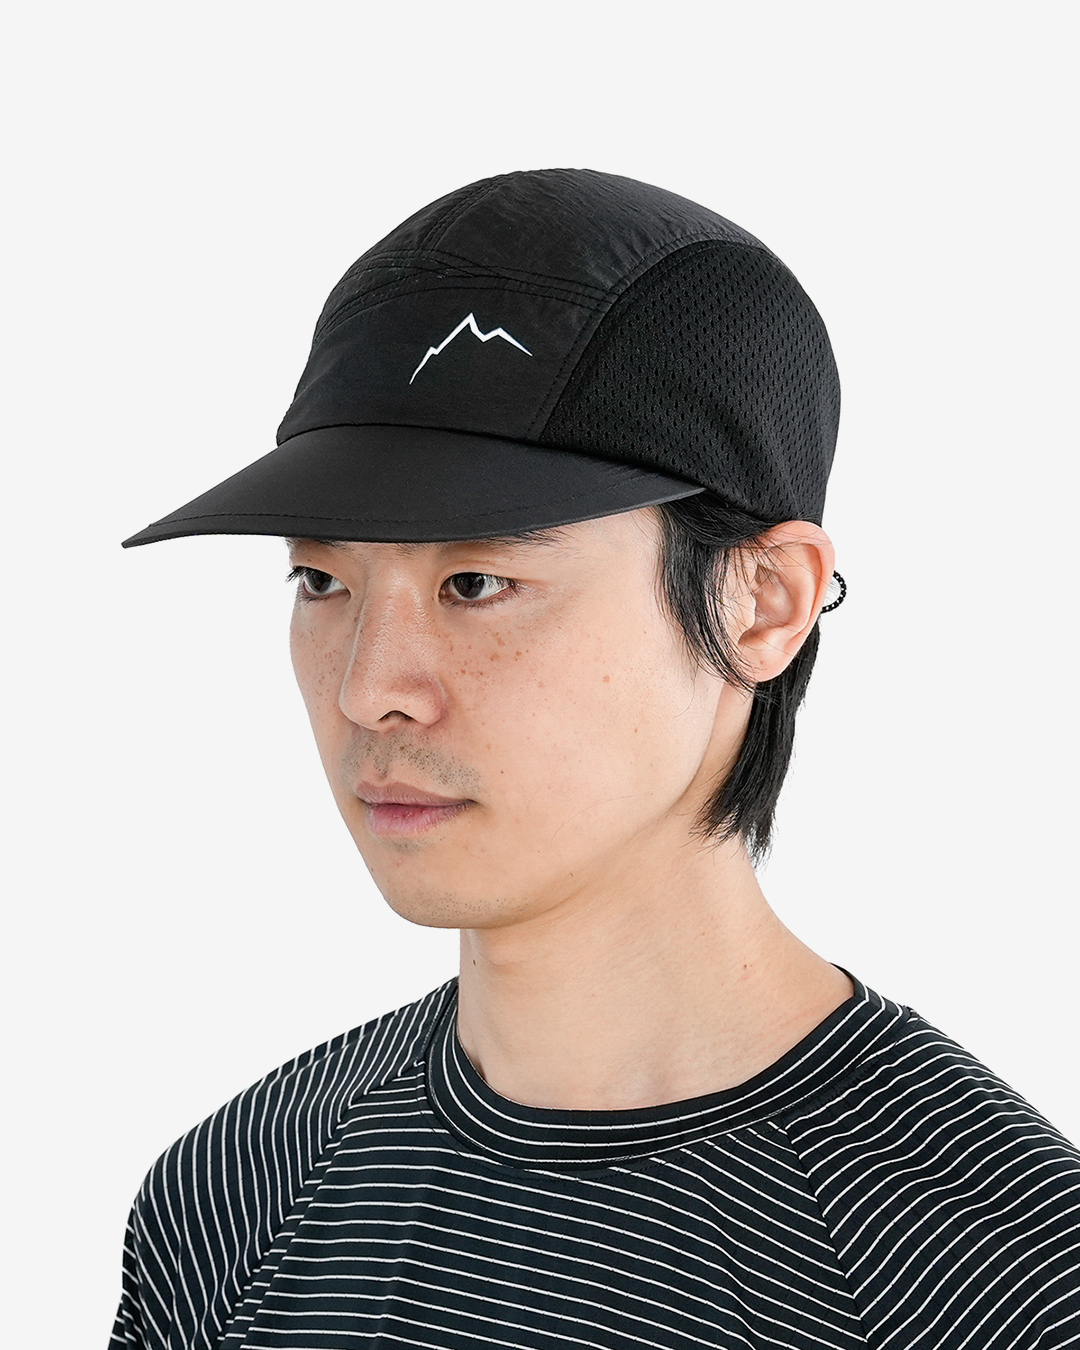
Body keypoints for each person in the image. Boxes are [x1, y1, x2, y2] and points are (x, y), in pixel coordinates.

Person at [110, 169, 1080, 1349]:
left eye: (478, 582)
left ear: (765, 603)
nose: (370, 688)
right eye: (322, 580)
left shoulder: (995, 1280)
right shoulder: (232, 1200)